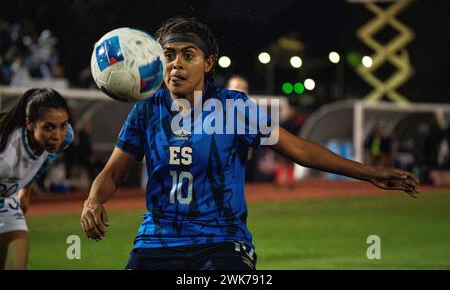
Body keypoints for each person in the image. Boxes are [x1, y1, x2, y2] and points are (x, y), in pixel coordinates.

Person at [80, 17, 420, 270]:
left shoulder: (235, 108)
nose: (177, 64)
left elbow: (299, 150)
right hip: (156, 241)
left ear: (208, 63)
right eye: (169, 55)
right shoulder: (146, 111)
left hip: (222, 242)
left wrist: (369, 172)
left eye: (189, 55)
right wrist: (94, 200)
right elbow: (112, 174)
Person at [0, 88, 73, 269]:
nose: (57, 135)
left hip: (7, 203)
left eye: (62, 125)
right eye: (48, 127)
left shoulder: (65, 138)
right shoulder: (6, 156)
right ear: (29, 123)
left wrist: (27, 189)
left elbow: (43, 162)